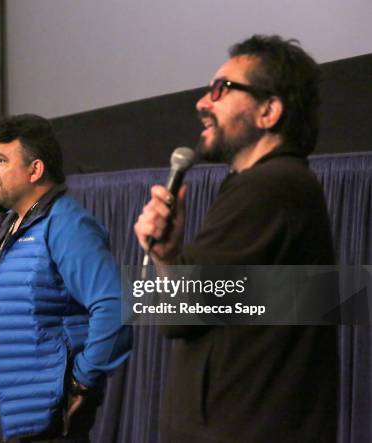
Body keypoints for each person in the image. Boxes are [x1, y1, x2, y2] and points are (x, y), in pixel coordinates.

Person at [134, 35, 338, 442]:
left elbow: (179, 316)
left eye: (221, 90)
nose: (202, 103)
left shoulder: (270, 188)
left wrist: (170, 260)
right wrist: (169, 258)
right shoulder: (273, 186)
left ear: (268, 111)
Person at [0, 113, 132, 442]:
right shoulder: (5, 227)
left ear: (35, 170)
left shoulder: (66, 225)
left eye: (1, 160)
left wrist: (82, 382)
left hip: (43, 425)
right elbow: (5, 304)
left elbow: (115, 306)